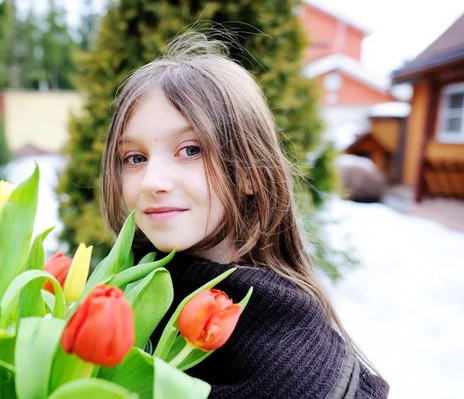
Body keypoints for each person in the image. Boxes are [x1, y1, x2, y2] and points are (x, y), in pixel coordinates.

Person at [100, 32, 389, 399]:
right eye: (135, 158)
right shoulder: (116, 305)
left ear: (251, 172)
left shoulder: (298, 367)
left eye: (190, 150)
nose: (151, 181)